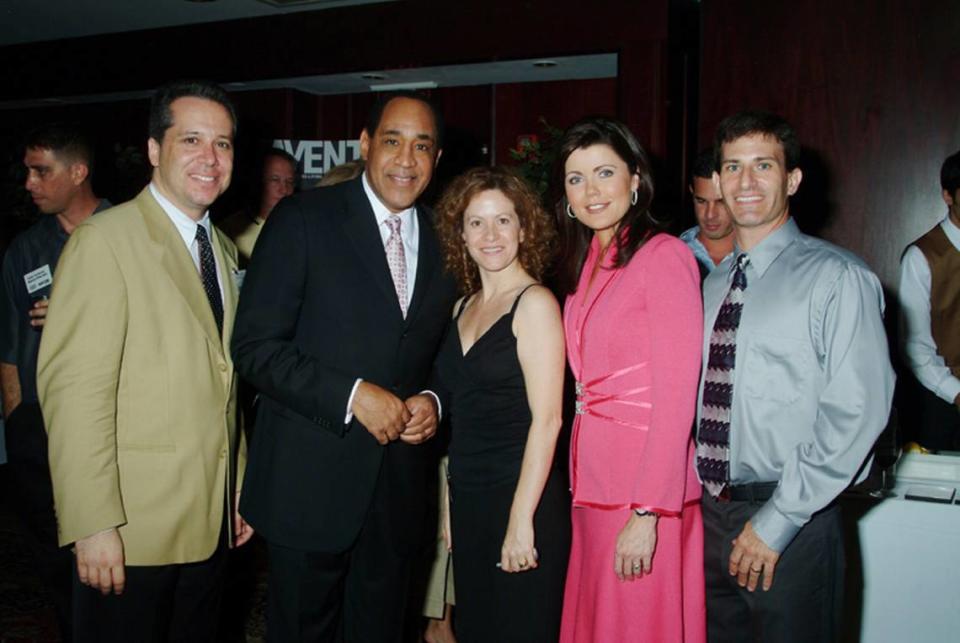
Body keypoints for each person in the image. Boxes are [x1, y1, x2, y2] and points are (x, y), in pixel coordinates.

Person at [232, 91, 457, 642]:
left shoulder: (447, 237)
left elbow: (445, 352)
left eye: (422, 146)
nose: (407, 159)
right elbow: (255, 346)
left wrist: (434, 400)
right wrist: (352, 394)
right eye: (393, 141)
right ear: (364, 144)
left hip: (398, 497)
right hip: (308, 488)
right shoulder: (304, 219)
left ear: (438, 158)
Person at [37, 79, 252, 642]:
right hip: (131, 529)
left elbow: (222, 382)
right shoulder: (104, 241)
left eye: (224, 144)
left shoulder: (223, 249)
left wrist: (235, 488)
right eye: (192, 141)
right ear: (155, 150)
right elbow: (75, 393)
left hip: (208, 522)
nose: (211, 158)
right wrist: (92, 523)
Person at [696, 111, 894, 642]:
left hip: (794, 518)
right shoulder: (711, 287)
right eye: (732, 167)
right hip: (709, 518)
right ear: (716, 182)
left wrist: (779, 519)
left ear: (793, 179)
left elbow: (857, 410)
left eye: (763, 165)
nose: (745, 182)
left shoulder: (838, 278)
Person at [555, 116, 706, 642]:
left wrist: (649, 511)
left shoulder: (665, 256)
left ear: (635, 178)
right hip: (593, 486)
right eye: (576, 179)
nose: (591, 191)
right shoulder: (587, 262)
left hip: (643, 495)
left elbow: (677, 395)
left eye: (603, 173)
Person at [432, 166, 569, 642]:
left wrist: (520, 521)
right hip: (469, 499)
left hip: (522, 498)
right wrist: (450, 507)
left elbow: (548, 421)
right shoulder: (461, 307)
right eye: (476, 222)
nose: (490, 235)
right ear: (461, 233)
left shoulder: (534, 304)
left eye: (503, 221)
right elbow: (459, 418)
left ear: (524, 227)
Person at [0, 122, 111, 641]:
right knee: (54, 562)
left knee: (108, 563)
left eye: (41, 171)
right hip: (38, 432)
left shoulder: (125, 232)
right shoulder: (25, 249)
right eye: (28, 170)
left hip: (108, 426)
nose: (29, 182)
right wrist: (18, 423)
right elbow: (8, 347)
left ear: (78, 172)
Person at [899, 149, 960, 450]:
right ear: (948, 196)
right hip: (943, 406)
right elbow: (915, 346)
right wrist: (956, 392)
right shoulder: (921, 256)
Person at [218, 147, 298, 264]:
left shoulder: (301, 228)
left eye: (289, 182)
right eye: (275, 180)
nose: (284, 189)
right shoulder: (231, 231)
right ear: (258, 181)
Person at [680, 148, 735, 280]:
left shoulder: (761, 256)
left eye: (721, 202)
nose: (710, 214)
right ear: (692, 192)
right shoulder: (673, 255)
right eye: (701, 201)